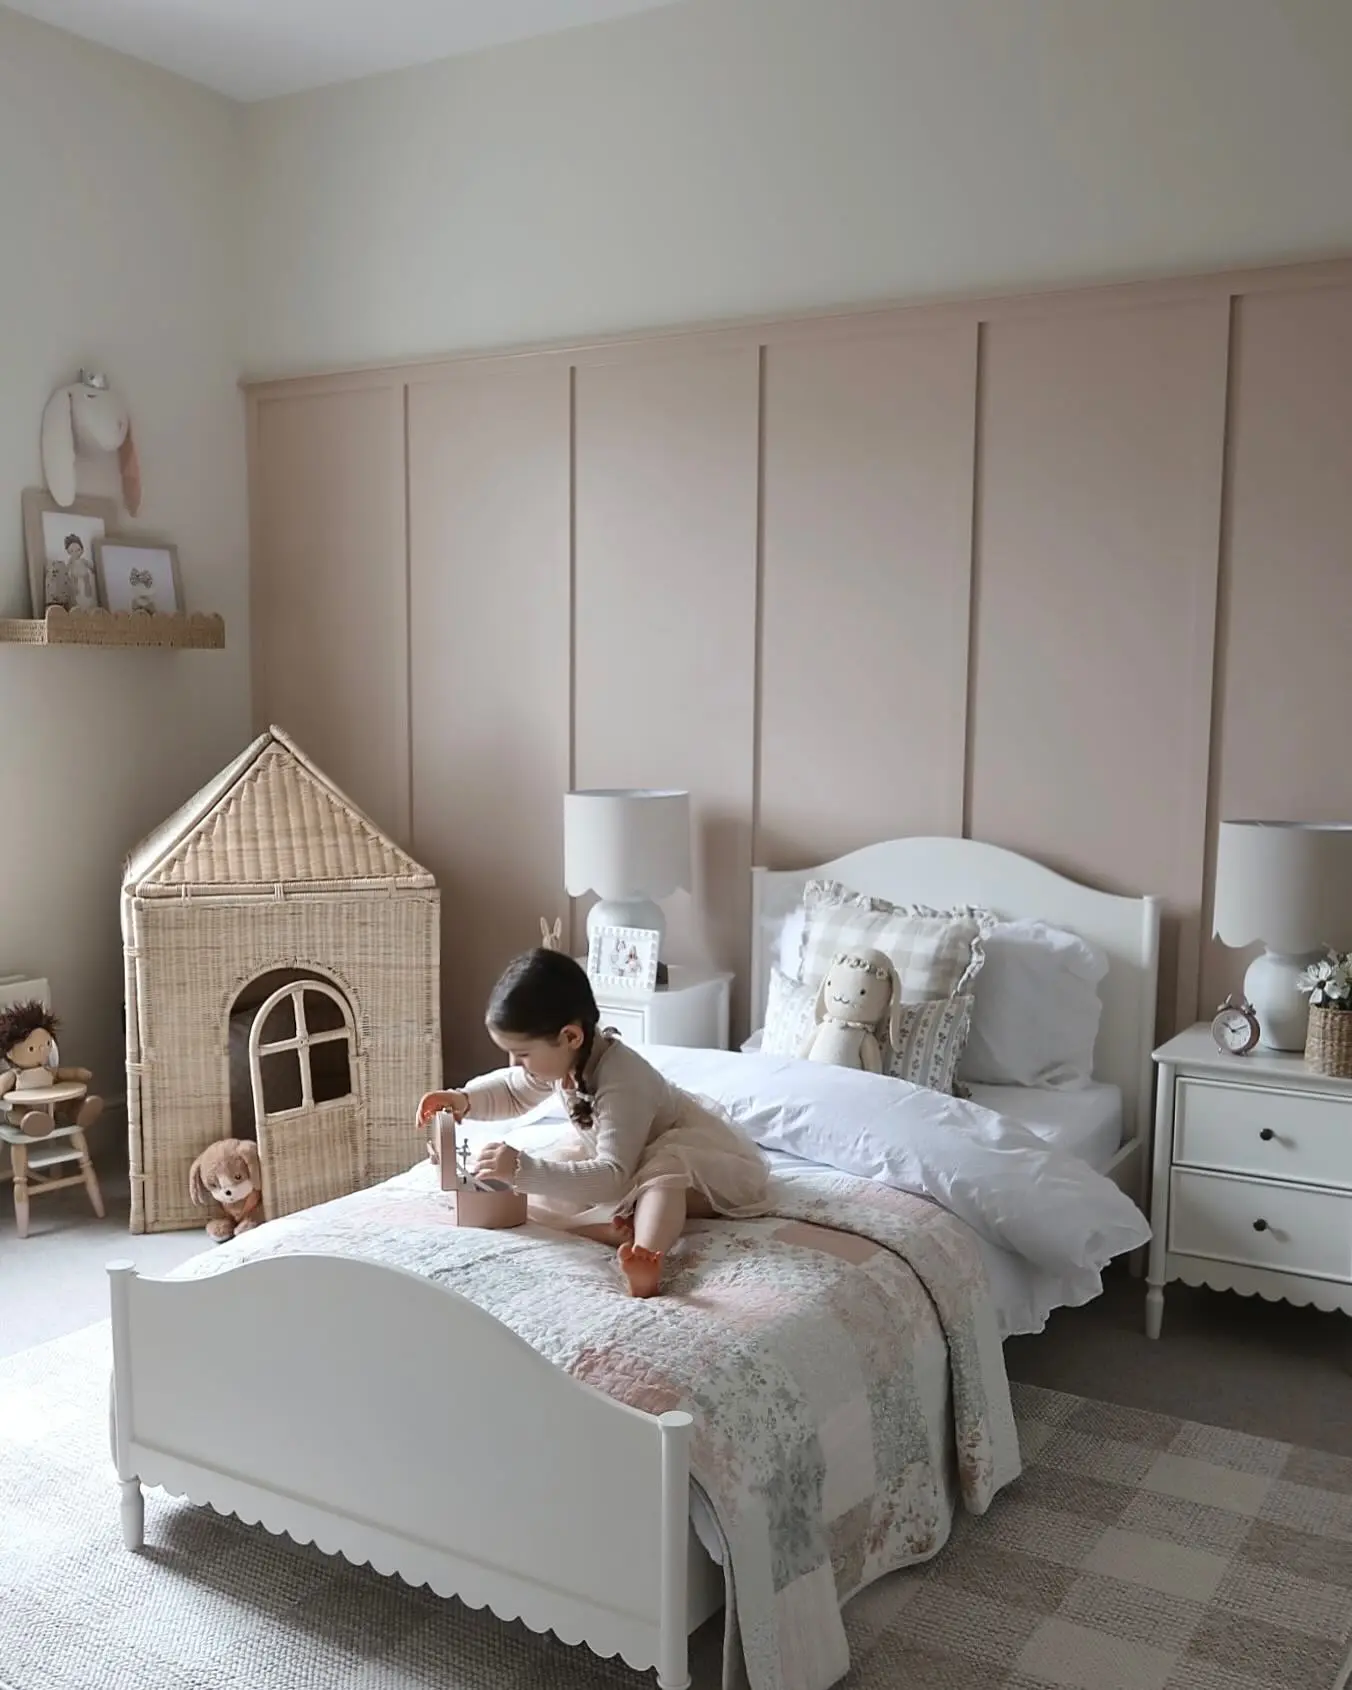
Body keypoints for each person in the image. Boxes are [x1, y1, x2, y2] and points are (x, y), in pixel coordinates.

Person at [418, 948, 769, 1297]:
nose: (516, 1063)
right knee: (545, 1191)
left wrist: (523, 1169)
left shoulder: (623, 1080)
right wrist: (462, 1099)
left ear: (571, 1037)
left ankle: (646, 1255)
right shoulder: (566, 1061)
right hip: (618, 1162)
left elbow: (613, 1176)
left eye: (523, 1054)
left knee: (663, 1175)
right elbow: (513, 1091)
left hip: (696, 1172)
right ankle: (604, 1226)